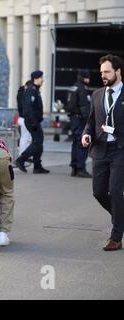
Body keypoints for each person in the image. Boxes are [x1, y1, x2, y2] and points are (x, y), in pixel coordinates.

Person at [82, 54, 124, 251]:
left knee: (115, 191)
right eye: (101, 72)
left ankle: (116, 236)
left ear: (118, 71)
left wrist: (116, 131)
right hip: (100, 148)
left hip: (120, 149)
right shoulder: (97, 94)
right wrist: (86, 134)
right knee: (99, 192)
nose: (103, 75)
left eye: (107, 71)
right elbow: (91, 121)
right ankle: (121, 217)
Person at [14, 70, 50, 174]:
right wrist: (33, 122)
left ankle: (37, 166)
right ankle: (21, 159)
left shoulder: (35, 90)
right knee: (37, 142)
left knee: (39, 143)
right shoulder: (31, 90)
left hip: (34, 121)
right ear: (36, 79)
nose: (42, 80)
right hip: (32, 121)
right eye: (41, 78)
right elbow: (28, 108)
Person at [65, 69, 92, 178]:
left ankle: (74, 167)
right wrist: (89, 121)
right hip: (80, 119)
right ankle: (81, 168)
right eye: (87, 77)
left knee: (75, 142)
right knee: (83, 142)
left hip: (73, 118)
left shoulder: (73, 87)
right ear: (83, 77)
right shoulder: (82, 89)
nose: (89, 79)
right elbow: (84, 107)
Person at [17, 80, 33, 156]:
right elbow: (24, 106)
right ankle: (22, 155)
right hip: (24, 118)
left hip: (24, 117)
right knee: (25, 138)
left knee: (27, 138)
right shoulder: (23, 94)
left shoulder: (22, 93)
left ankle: (25, 154)